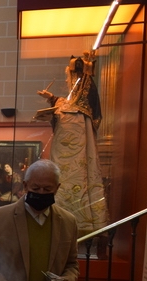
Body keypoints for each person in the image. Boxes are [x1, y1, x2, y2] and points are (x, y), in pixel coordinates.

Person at [37, 51, 108, 236]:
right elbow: (66, 106)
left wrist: (56, 111)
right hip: (64, 155)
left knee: (73, 183)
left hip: (74, 157)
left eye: (69, 75)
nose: (67, 79)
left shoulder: (79, 105)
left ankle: (82, 223)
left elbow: (71, 115)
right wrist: (52, 99)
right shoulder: (72, 103)